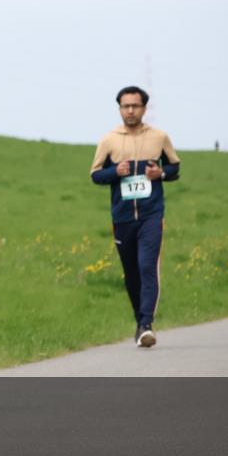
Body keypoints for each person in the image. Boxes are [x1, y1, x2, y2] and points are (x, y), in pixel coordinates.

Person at [90, 86, 180, 347]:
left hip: (152, 215)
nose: (130, 110)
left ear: (144, 108)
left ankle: (146, 324)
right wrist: (115, 172)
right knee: (131, 273)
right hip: (122, 217)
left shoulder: (159, 137)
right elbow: (95, 175)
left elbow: (175, 167)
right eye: (125, 106)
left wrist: (160, 174)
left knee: (146, 266)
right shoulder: (109, 140)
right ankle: (139, 320)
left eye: (135, 106)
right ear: (119, 109)